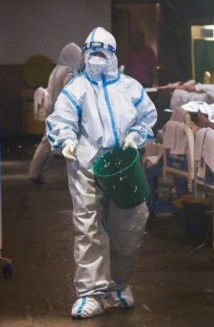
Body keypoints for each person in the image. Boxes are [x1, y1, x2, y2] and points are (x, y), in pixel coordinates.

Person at [46, 27, 157, 319]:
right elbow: (61, 120)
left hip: (124, 165)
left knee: (129, 226)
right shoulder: (76, 88)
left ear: (112, 55)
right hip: (86, 164)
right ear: (84, 54)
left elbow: (147, 118)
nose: (96, 59)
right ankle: (90, 293)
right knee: (89, 228)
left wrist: (136, 136)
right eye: (91, 53)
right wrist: (67, 141)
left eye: (102, 53)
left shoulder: (131, 88)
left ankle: (117, 286)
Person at [27, 43, 83, 184]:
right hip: (64, 114)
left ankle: (34, 173)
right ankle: (80, 177)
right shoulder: (69, 71)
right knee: (76, 143)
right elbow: (71, 93)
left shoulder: (56, 70)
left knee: (46, 143)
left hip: (53, 112)